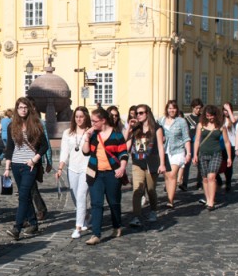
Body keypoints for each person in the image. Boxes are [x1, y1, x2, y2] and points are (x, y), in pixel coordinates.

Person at [2, 97, 49, 240]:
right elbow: (10, 148)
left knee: (23, 196)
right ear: (16, 109)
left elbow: (44, 146)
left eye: (25, 107)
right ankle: (33, 224)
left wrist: (34, 159)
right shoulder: (12, 126)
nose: (23, 110)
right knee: (26, 196)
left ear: (29, 109)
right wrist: (7, 168)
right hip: (16, 165)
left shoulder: (36, 124)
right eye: (20, 107)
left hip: (30, 165)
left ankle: (17, 228)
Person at [82, 108, 128, 245]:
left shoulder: (116, 135)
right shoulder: (93, 135)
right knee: (96, 203)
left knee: (113, 202)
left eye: (94, 121)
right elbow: (85, 152)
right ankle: (96, 234)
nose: (92, 123)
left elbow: (123, 153)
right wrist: (87, 138)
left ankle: (117, 226)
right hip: (95, 173)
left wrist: (122, 168)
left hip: (112, 174)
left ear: (103, 120)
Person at [127, 104, 166, 227]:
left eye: (141, 113)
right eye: (136, 113)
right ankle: (136, 216)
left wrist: (162, 164)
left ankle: (153, 210)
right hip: (137, 162)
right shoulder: (135, 128)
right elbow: (126, 144)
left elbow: (161, 147)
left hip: (151, 163)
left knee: (150, 190)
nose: (138, 115)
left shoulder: (156, 128)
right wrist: (129, 129)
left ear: (147, 113)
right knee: (137, 190)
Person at [56, 106, 91, 239]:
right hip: (72, 168)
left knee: (81, 195)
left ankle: (78, 228)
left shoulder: (90, 131)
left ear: (86, 117)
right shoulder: (68, 133)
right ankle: (85, 216)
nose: (79, 119)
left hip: (86, 168)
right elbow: (64, 151)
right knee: (75, 196)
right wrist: (60, 168)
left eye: (81, 116)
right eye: (76, 117)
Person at [192, 105, 232, 210]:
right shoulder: (201, 125)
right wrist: (195, 154)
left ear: (216, 115)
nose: (210, 118)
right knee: (205, 178)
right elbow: (197, 140)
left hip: (216, 153)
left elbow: (227, 142)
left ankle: (211, 202)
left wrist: (229, 157)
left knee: (211, 177)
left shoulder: (221, 126)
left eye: (211, 116)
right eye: (208, 116)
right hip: (202, 153)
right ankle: (208, 198)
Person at [159, 100, 191, 208]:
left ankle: (170, 201)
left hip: (177, 151)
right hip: (165, 151)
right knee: (167, 176)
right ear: (166, 109)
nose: (171, 110)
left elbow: (186, 138)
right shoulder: (161, 121)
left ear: (176, 109)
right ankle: (169, 195)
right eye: (170, 108)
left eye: (173, 108)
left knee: (172, 175)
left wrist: (188, 153)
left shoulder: (181, 121)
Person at [181, 98, 203, 191]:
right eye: (196, 108)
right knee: (187, 163)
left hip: (200, 143)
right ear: (192, 108)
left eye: (199, 108)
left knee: (200, 164)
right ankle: (184, 183)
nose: (198, 110)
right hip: (190, 143)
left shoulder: (202, 118)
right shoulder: (187, 119)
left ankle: (199, 182)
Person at [217, 102, 238, 192]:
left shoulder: (233, 118)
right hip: (222, 145)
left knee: (229, 165)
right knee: (217, 164)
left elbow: (233, 121)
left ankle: (228, 183)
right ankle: (218, 180)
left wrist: (229, 110)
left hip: (232, 144)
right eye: (224, 110)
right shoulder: (220, 120)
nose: (226, 112)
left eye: (227, 110)